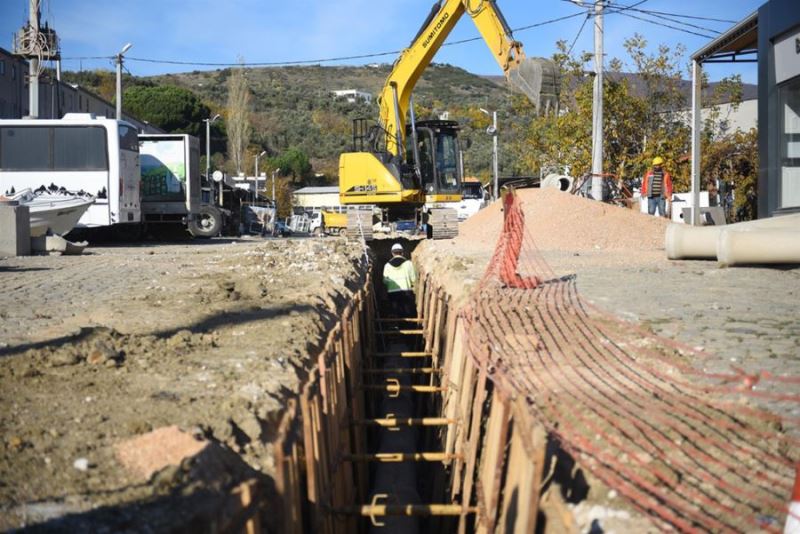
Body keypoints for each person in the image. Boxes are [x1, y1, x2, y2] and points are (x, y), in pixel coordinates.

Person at [383, 243, 417, 318]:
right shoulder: (408, 264)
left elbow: (385, 281)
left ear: (392, 253)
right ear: (402, 252)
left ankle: (395, 327)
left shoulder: (387, 265)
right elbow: (414, 279)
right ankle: (407, 327)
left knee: (394, 311)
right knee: (407, 311)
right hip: (406, 291)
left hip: (392, 292)